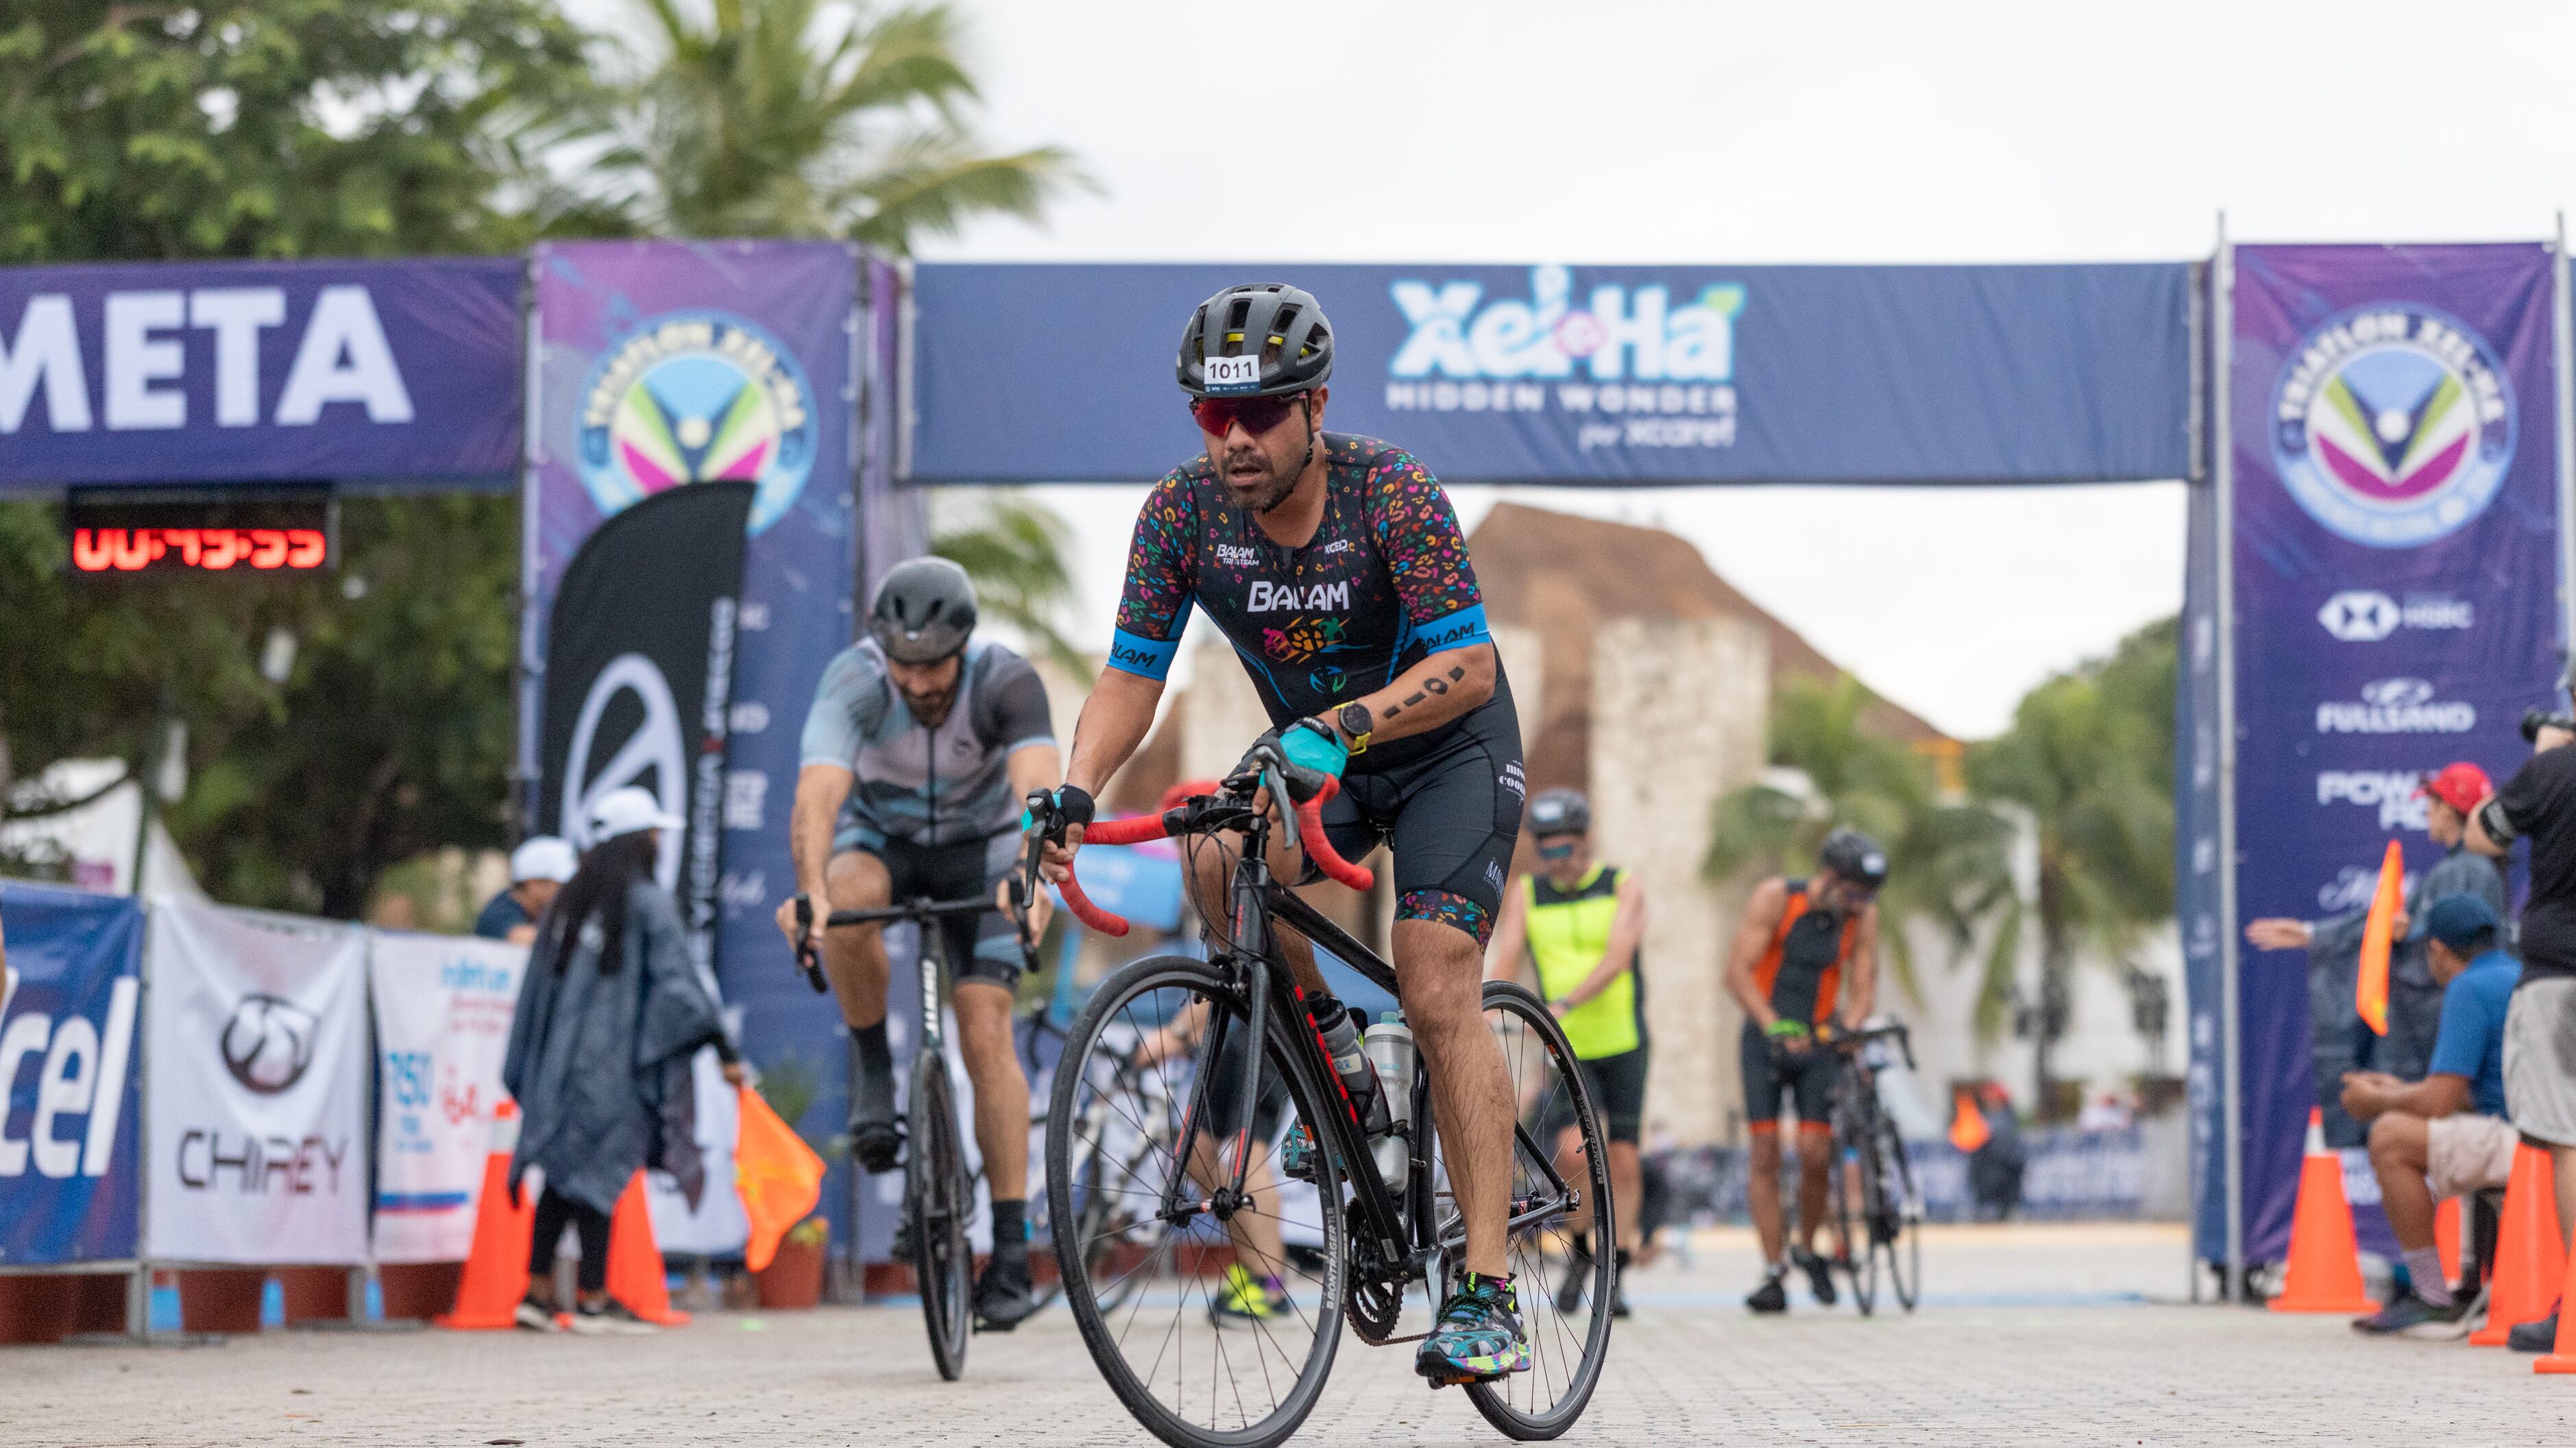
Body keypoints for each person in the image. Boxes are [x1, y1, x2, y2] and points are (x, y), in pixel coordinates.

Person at [1039, 282, 1533, 1386]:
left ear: (1315, 407)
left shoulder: (1390, 491)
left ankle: (1487, 1292)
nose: (1234, 439)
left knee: (1434, 977)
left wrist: (1344, 727)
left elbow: (1469, 666)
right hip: (1315, 759)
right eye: (1212, 416)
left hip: (1444, 749)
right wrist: (1076, 786)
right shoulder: (1180, 515)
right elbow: (1131, 674)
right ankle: (1337, 1063)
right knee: (1216, 853)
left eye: (1259, 414)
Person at [774, 556, 1060, 1332]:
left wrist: (1030, 874)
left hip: (986, 851)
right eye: (905, 666)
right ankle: (874, 1072)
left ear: (963, 648)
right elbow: (816, 798)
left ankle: (1009, 1248)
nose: (919, 681)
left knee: (985, 1029)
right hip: (885, 842)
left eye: (934, 665)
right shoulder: (855, 681)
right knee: (843, 900)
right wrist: (810, 891)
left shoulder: (1005, 681)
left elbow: (1038, 788)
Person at [503, 787, 742, 1335]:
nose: (659, 841)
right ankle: (593, 1299)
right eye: (653, 833)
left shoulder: (567, 902)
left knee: (563, 1171)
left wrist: (534, 1064)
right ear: (639, 841)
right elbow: (681, 984)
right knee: (601, 1170)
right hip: (610, 1067)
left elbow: (537, 995)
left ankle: (537, 1294)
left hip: (558, 1064)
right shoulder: (646, 902)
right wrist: (724, 1049)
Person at [2246, 761, 2505, 1122]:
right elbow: (2404, 924)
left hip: (2453, 1045)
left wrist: (2318, 934)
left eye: (2431, 803)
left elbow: (2444, 937)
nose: (2426, 812)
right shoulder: (2466, 869)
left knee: (2398, 1134)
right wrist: (2313, 933)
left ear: (2450, 810)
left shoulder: (2468, 870)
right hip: (2454, 1043)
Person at [1483, 787, 1647, 1318]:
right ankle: (1579, 1251)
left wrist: (1566, 1001)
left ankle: (1616, 1266)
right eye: (1546, 847)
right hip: (1566, 1044)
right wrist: (1490, 1005)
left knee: (1623, 1156)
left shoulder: (1621, 885)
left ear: (1586, 840)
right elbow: (1508, 952)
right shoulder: (1529, 893)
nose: (1557, 858)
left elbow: (1619, 957)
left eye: (1566, 846)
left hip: (1622, 1038)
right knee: (1574, 1151)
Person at [1724, 828, 1884, 1312]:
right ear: (1829, 877)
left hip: (1819, 1041)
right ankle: (1774, 1271)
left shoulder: (1863, 916)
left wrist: (1850, 1026)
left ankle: (1808, 1246)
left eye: (1867, 896)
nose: (1859, 904)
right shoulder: (1777, 898)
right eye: (1853, 893)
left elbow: (1863, 983)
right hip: (1765, 1038)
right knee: (1766, 1151)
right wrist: (1772, 1024)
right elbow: (1737, 972)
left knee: (1816, 1153)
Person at [2346, 894, 2520, 1338]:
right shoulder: (2515, 973)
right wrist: (2396, 1091)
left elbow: (2440, 1101)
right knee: (2403, 1122)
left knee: (2389, 1136)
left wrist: (2377, 1101)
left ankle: (2430, 1295)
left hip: (2519, 1141)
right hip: (2541, 1135)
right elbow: (2469, 1096)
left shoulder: (2468, 987)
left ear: (2438, 949)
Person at [2466, 719, 2576, 1351]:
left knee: (2568, 1136)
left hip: (2562, 977)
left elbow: (2481, 832)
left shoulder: (2552, 772)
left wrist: (2545, 757)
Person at [475, 837, 577, 943]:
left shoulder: (541, 912)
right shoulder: (499, 911)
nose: (570, 891)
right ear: (534, 883)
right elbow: (523, 937)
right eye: (562, 885)